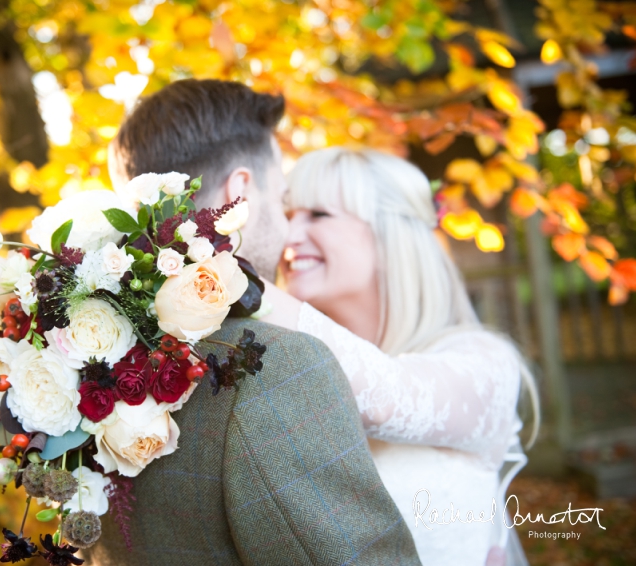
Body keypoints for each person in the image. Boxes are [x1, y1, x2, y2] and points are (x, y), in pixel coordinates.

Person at [92, 80, 422, 565]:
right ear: (240, 193)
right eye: (283, 200)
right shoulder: (275, 366)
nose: (290, 228)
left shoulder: (88, 364)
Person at [261, 147, 540, 566]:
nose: (290, 234)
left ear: (390, 233)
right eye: (287, 216)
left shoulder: (485, 363)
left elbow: (388, 397)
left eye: (317, 214)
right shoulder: (273, 369)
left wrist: (230, 282)